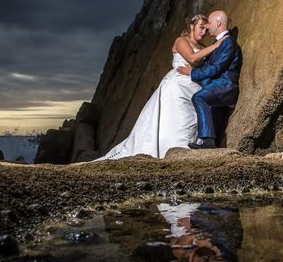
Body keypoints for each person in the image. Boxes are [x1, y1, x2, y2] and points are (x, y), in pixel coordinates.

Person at [95, 14, 227, 160]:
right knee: (175, 119)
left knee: (191, 120)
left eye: (205, 29)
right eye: (201, 27)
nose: (203, 32)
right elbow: (192, 58)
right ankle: (170, 150)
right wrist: (215, 45)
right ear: (192, 26)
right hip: (177, 86)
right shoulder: (181, 40)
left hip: (195, 86)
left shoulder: (203, 47)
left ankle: (188, 149)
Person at [178, 10, 241, 149]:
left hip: (225, 87)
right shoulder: (217, 43)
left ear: (218, 23)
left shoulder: (228, 42)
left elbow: (216, 68)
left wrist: (192, 72)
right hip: (215, 86)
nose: (206, 27)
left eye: (209, 23)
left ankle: (207, 141)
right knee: (214, 115)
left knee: (199, 98)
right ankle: (211, 144)